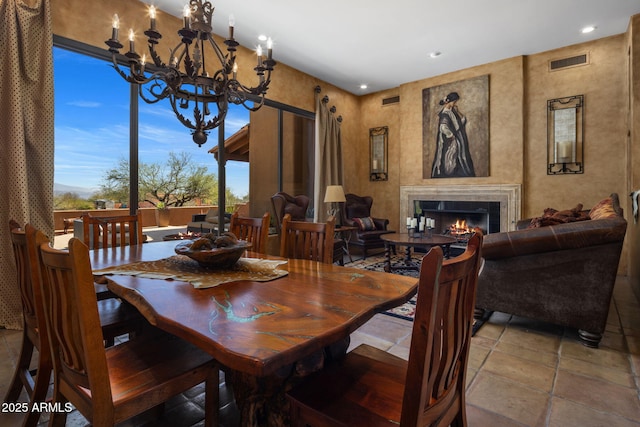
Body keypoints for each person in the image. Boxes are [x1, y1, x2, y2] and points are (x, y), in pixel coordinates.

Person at [431, 92, 475, 177]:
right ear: (449, 101)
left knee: (461, 159)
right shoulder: (445, 114)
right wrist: (451, 136)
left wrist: (458, 112)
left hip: (458, 140)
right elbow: (443, 127)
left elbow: (462, 121)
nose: (455, 104)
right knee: (450, 161)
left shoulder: (452, 112)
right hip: (450, 143)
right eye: (454, 102)